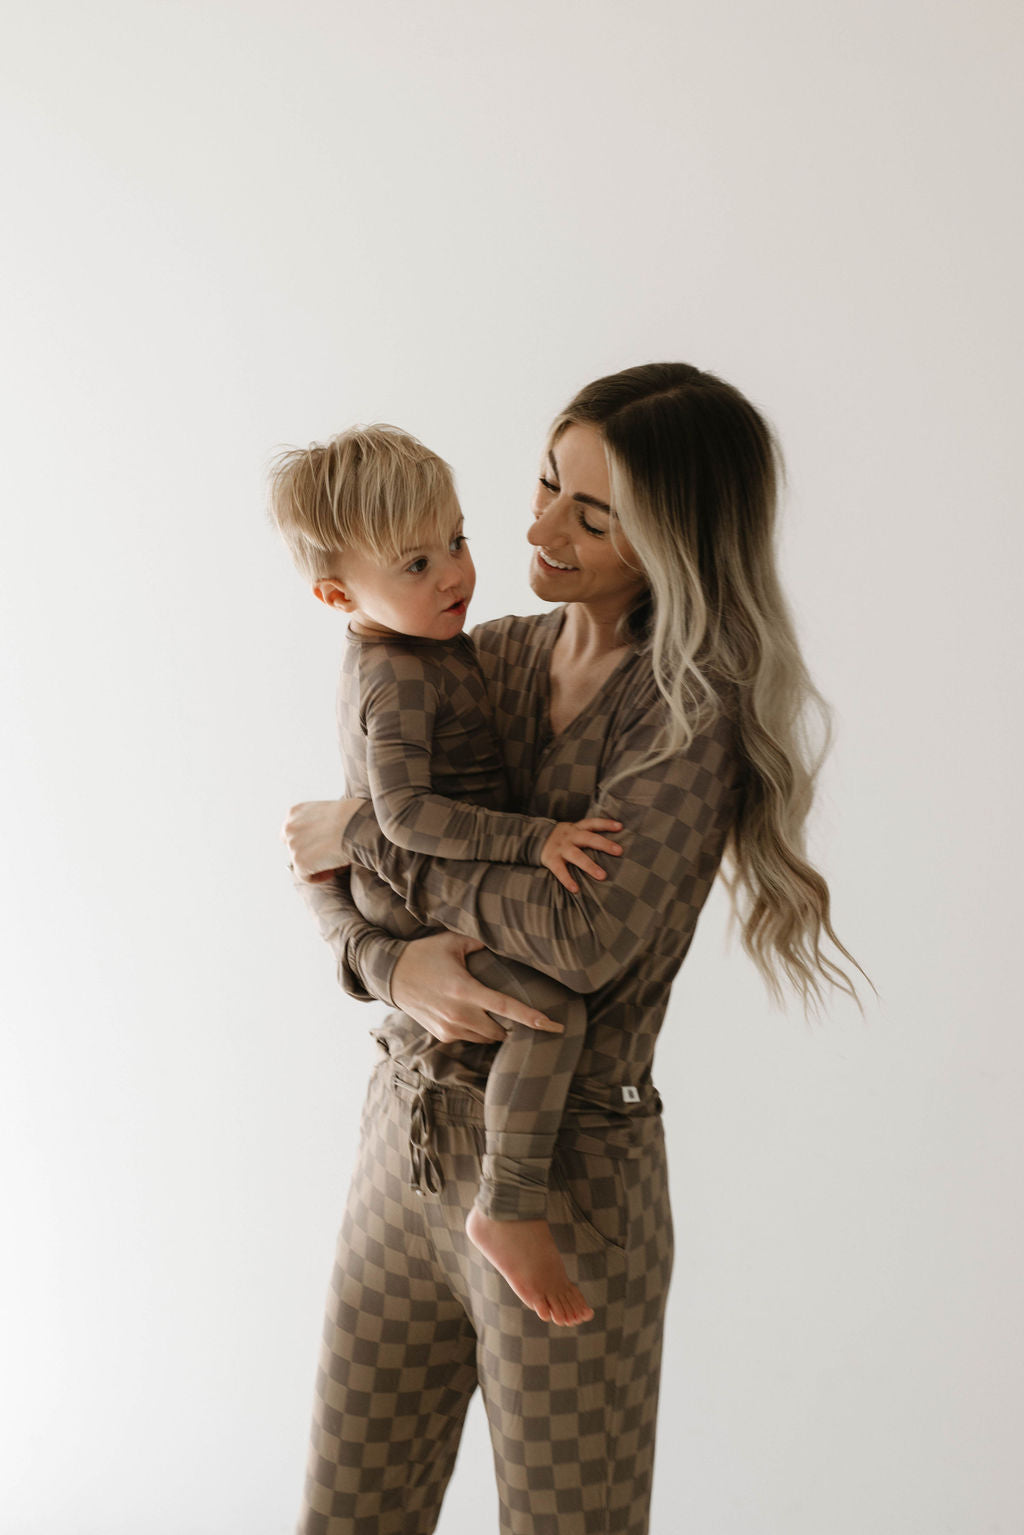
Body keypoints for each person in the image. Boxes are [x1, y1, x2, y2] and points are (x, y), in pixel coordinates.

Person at [282, 363, 870, 1535]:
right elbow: (323, 860)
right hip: (400, 1151)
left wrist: (375, 836)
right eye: (546, 484)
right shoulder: (472, 655)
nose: (537, 527)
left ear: (672, 544)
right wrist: (386, 963)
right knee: (342, 1518)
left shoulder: (685, 714)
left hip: (569, 1184)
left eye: (590, 515)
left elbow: (581, 934)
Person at [270, 423, 628, 1327]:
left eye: (458, 542)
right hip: (414, 894)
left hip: (415, 897)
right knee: (552, 1015)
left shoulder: (435, 645)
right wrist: (535, 841)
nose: (456, 575)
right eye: (417, 564)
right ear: (336, 592)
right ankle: (509, 1204)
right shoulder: (396, 677)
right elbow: (402, 818)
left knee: (545, 1007)